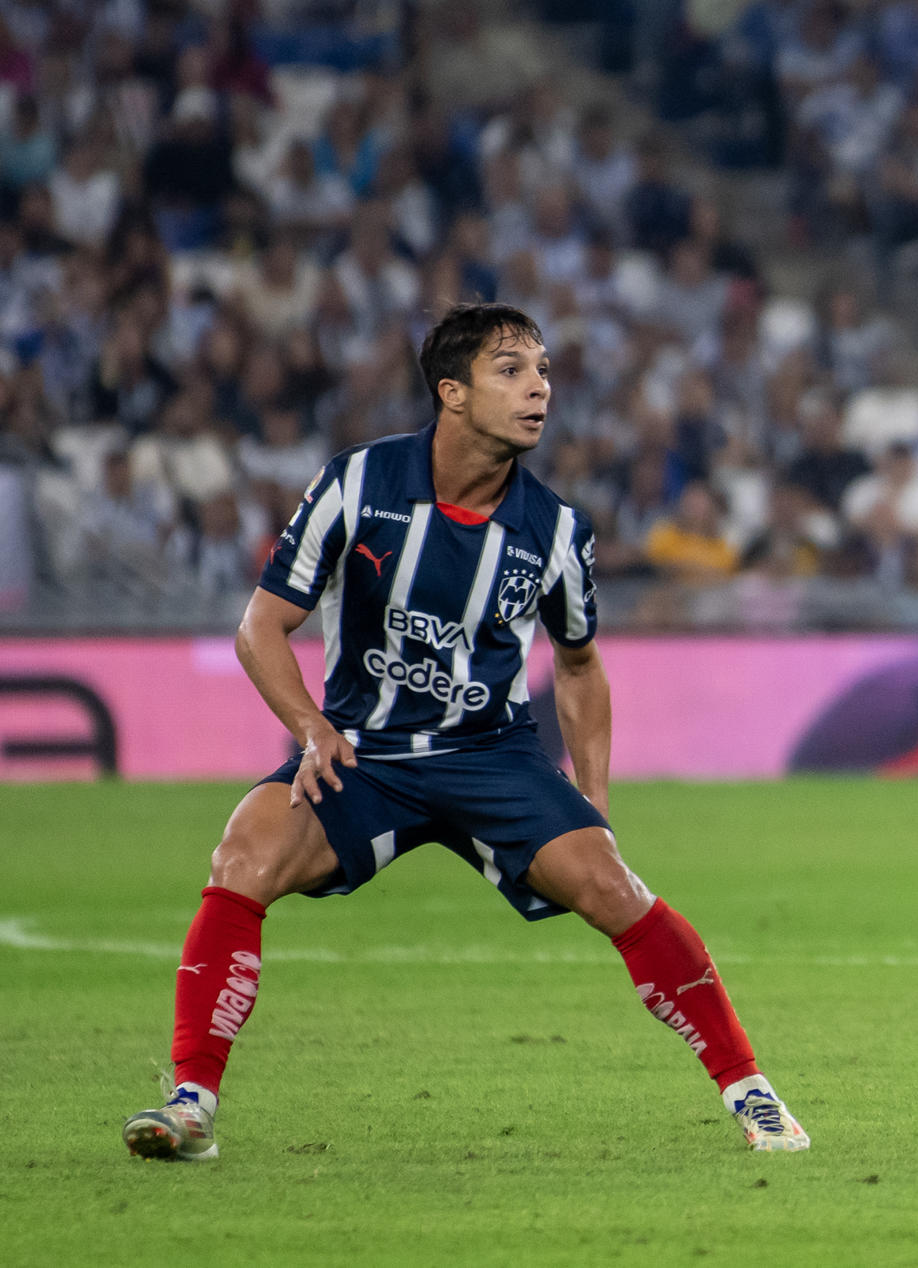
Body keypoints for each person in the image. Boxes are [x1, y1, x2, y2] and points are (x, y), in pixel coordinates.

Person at [123, 303, 808, 1162]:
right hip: (364, 753)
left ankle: (755, 1094)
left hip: (492, 755)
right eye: (513, 369)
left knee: (613, 888)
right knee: (243, 856)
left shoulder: (555, 529)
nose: (540, 389)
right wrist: (309, 728)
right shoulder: (357, 485)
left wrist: (592, 797)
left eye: (545, 370)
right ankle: (192, 1106)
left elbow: (582, 663)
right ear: (452, 391)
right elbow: (260, 628)